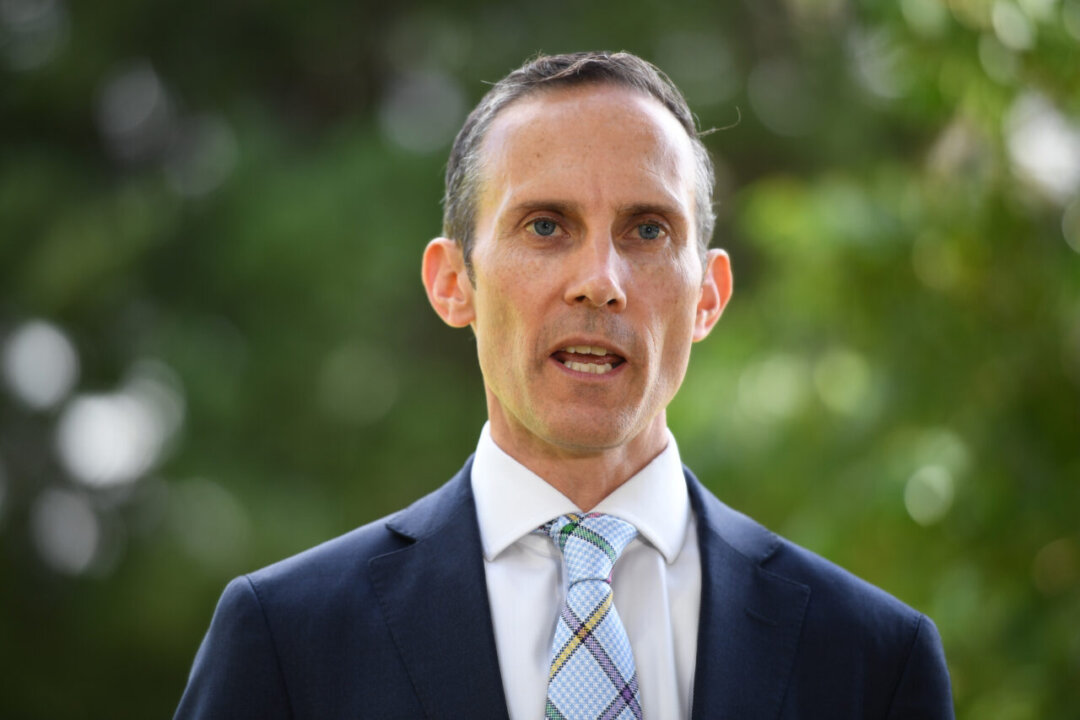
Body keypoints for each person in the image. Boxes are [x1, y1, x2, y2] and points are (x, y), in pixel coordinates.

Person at [175, 51, 954, 719]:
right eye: (545, 226)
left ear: (709, 297)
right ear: (453, 283)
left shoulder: (873, 659)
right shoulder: (286, 640)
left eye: (647, 230)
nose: (600, 281)